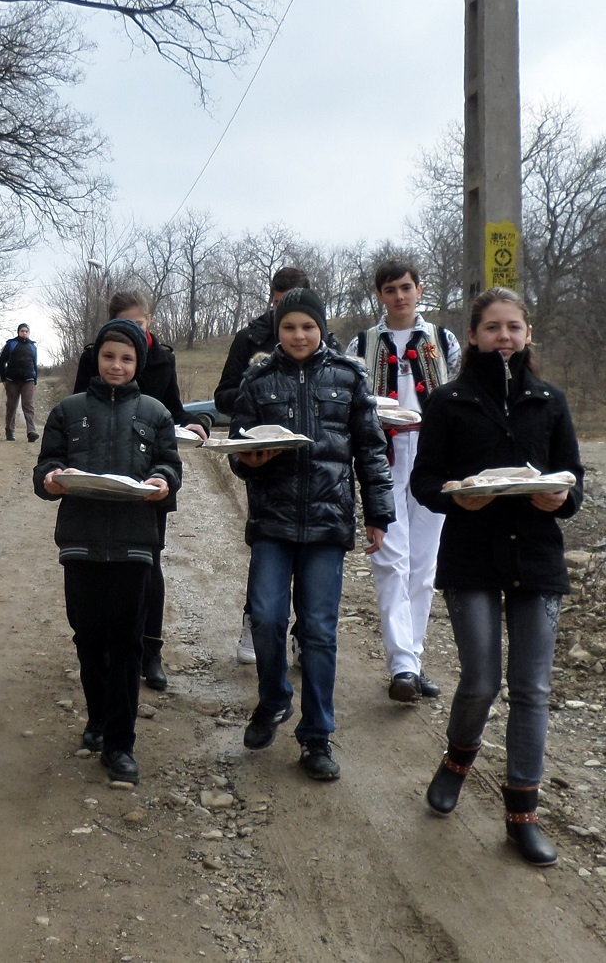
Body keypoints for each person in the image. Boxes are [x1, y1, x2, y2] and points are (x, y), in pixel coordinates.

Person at [410, 287, 583, 866]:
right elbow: (424, 481)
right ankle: (458, 758)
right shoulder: (448, 401)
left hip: (537, 558)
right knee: (482, 680)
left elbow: (572, 479)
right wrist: (457, 498)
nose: (503, 337)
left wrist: (559, 498)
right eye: (492, 327)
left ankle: (522, 816)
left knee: (532, 689)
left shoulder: (550, 401)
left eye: (513, 327)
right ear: (474, 335)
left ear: (528, 333)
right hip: (472, 556)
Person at [228, 289, 393, 781]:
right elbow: (237, 450)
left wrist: (379, 514)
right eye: (288, 327)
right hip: (272, 521)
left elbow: (371, 450)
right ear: (277, 330)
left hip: (327, 523)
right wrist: (249, 459)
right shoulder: (257, 379)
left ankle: (317, 735)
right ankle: (274, 698)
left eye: (307, 326)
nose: (298, 336)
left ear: (321, 328)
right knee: (266, 617)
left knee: (319, 631)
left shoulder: (349, 376)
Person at [34, 319, 183, 786]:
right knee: (88, 636)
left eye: (126, 358)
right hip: (80, 543)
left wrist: (162, 481)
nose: (116, 365)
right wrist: (51, 479)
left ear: (138, 363)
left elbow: (170, 465)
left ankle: (121, 745)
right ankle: (97, 718)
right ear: (96, 359)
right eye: (108, 356)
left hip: (134, 546)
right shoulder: (69, 410)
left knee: (126, 643)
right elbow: (46, 465)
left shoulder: (156, 413)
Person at [72, 291, 209, 690]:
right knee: (98, 567)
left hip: (149, 481)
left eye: (141, 323)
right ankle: (102, 649)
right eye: (126, 323)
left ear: (149, 321)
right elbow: (79, 409)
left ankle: (150, 651)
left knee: (149, 565)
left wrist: (198, 421)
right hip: (100, 478)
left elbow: (174, 411)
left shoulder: (163, 359)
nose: (134, 330)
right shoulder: (94, 357)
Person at [347, 258, 461, 703]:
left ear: (419, 290)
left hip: (433, 458)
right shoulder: (362, 344)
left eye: (406, 287)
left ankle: (411, 659)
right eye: (391, 289)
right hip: (385, 458)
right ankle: (402, 664)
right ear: (380, 295)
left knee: (424, 564)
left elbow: (458, 395)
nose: (399, 296)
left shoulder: (443, 340)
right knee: (390, 560)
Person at [214, 267, 310, 666]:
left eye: (294, 303)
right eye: (278, 303)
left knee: (312, 553)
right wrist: (258, 392)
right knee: (267, 545)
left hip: (310, 459)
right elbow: (222, 396)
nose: (286, 314)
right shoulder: (250, 339)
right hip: (263, 459)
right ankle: (254, 622)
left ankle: (304, 635)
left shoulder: (320, 337)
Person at [0, 323, 39, 441]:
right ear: (18, 332)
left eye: (26, 331)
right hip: (12, 380)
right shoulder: (11, 344)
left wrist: (35, 380)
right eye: (22, 331)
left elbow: (34, 364)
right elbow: (1, 361)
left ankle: (31, 432)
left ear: (29, 333)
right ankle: (9, 431)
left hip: (28, 380)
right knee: (11, 406)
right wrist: (3, 378)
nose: (24, 333)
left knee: (28, 406)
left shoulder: (32, 346)